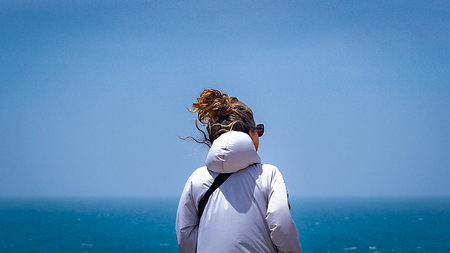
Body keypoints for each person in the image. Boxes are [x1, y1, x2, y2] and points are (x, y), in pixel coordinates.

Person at [176, 89, 302, 253]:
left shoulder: (196, 179)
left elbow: (185, 235)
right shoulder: (269, 175)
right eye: (259, 130)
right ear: (251, 133)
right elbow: (281, 225)